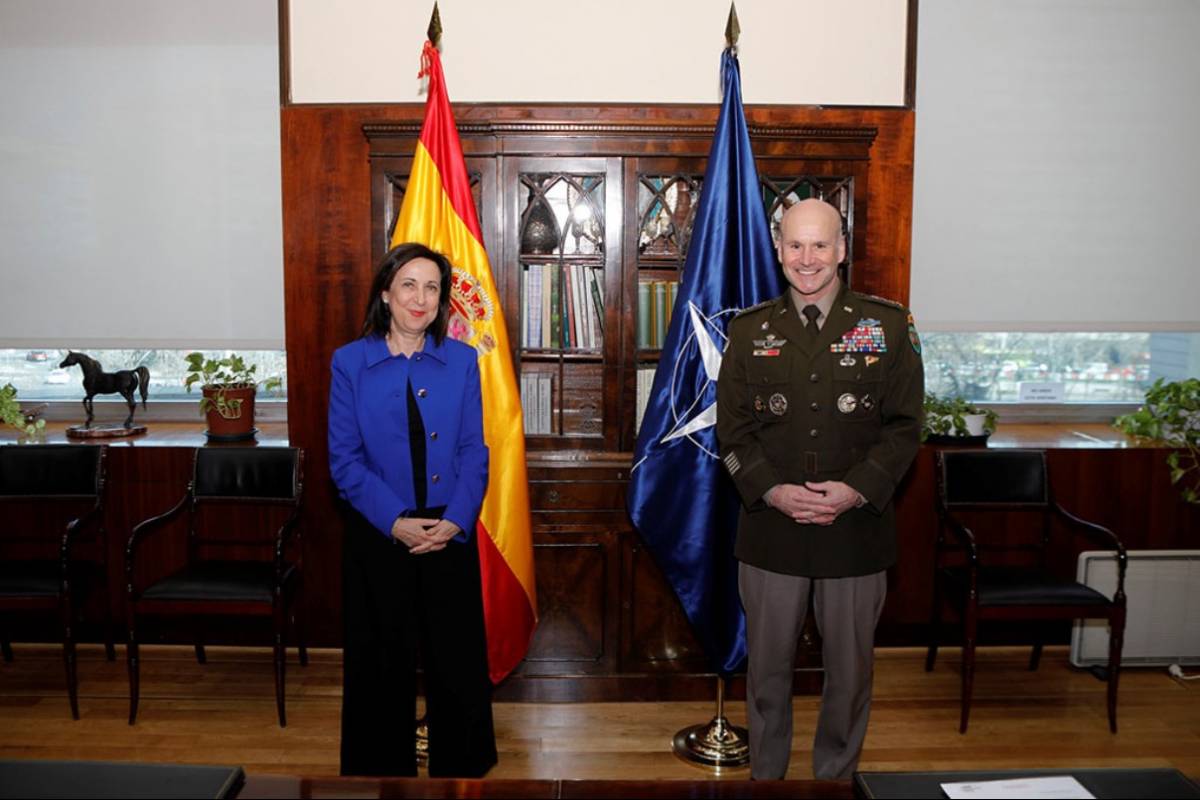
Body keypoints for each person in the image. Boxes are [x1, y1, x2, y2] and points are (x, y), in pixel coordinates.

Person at [716, 198, 923, 779]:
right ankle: (768, 782)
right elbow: (733, 431)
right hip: (771, 532)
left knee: (851, 674)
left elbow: (905, 428)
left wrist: (857, 490)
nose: (808, 259)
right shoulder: (749, 329)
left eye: (821, 245)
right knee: (767, 676)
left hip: (855, 531)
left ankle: (833, 782)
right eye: (796, 245)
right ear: (779, 251)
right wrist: (775, 492)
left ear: (842, 250)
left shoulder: (886, 326)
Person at [328, 242, 496, 778]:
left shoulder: (463, 360)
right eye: (408, 285)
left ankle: (462, 773)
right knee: (381, 664)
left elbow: (475, 450)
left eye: (432, 287)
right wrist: (396, 521)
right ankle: (382, 775)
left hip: (449, 529)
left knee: (456, 662)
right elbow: (344, 460)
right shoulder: (349, 362)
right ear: (385, 293)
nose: (420, 298)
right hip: (380, 534)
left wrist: (456, 519)